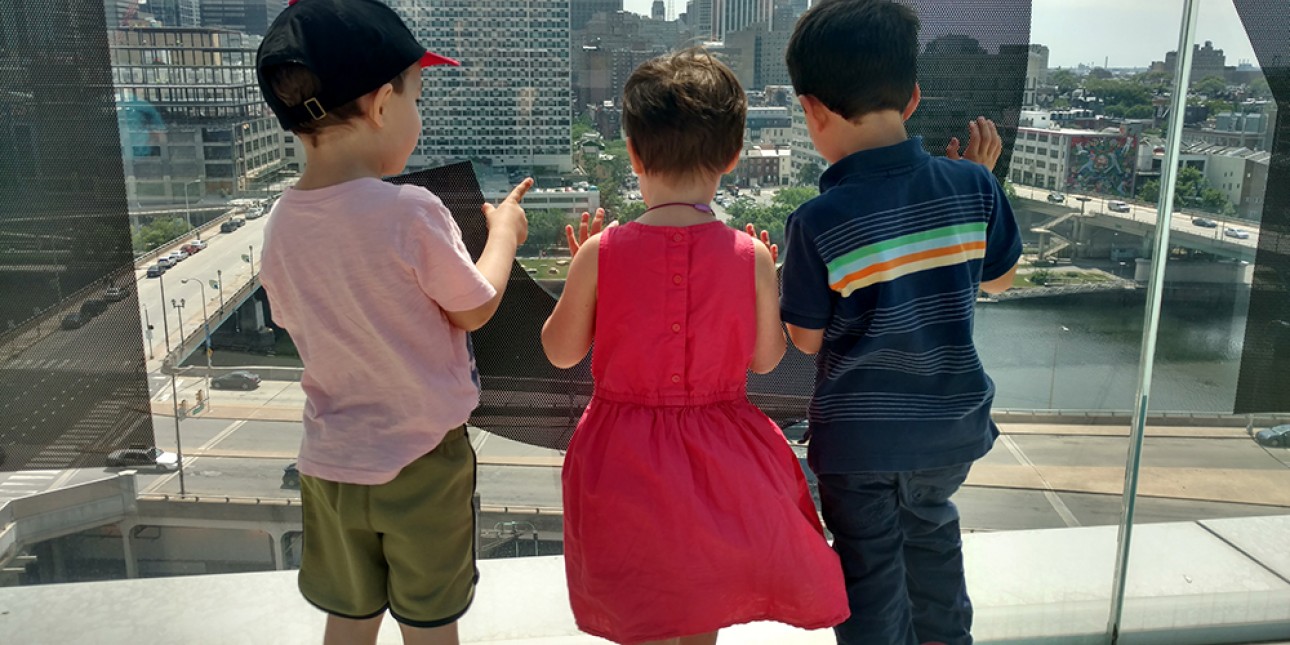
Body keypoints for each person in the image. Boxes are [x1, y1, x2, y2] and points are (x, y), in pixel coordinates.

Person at [542, 49, 850, 645]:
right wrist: (759, 276)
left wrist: (583, 276)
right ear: (734, 157)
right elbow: (767, 360)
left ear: (632, 153)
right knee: (700, 601)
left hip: (622, 459)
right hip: (720, 457)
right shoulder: (751, 255)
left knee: (644, 603)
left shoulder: (599, 252)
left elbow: (558, 352)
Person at [254, 1, 531, 643]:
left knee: (348, 615)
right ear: (382, 106)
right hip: (422, 460)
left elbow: (294, 320)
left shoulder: (280, 225)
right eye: (417, 97)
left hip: (330, 462)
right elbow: (475, 304)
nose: (418, 115)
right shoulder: (410, 210)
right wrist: (505, 235)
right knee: (429, 619)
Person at [779, 1, 1021, 644]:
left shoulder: (817, 221)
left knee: (871, 578)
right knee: (933, 544)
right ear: (912, 97)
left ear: (811, 109)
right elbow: (997, 278)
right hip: (949, 433)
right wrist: (979, 180)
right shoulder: (973, 187)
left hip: (861, 441)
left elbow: (803, 338)